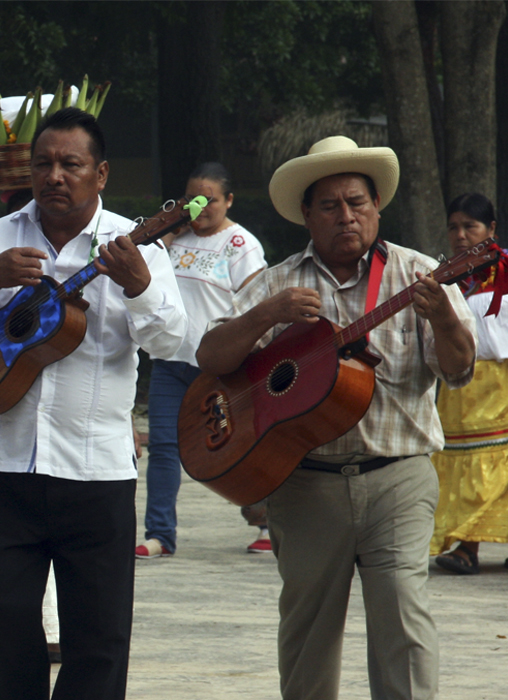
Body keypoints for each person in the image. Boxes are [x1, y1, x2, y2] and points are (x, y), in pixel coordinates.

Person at [195, 136, 476, 700]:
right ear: (306, 214)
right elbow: (212, 358)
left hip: (397, 477)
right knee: (308, 638)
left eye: (358, 203)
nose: (346, 216)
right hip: (303, 484)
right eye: (330, 205)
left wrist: (444, 318)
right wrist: (266, 315)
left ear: (378, 208)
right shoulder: (274, 283)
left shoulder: (421, 276)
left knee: (404, 620)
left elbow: (460, 371)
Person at [0, 107, 186, 699]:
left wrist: (140, 287)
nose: (55, 176)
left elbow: (172, 341)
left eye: (71, 164)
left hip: (96, 472)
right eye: (43, 163)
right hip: (3, 468)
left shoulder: (131, 247)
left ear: (100, 174)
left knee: (97, 643)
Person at [136, 162, 267, 559]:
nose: (200, 206)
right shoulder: (172, 240)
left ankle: (265, 522)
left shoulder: (240, 244)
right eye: (192, 198)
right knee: (162, 446)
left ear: (228, 200)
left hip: (220, 367)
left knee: (239, 445)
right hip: (170, 362)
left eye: (209, 199)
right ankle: (160, 534)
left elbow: (256, 302)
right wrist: (169, 232)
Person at [430, 193, 506, 575]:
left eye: (470, 226)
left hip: (503, 382)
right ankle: (465, 545)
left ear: (490, 229)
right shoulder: (445, 276)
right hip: (461, 383)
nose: (460, 235)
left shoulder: (506, 269)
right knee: (464, 465)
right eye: (453, 227)